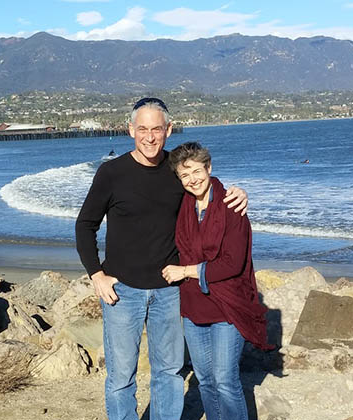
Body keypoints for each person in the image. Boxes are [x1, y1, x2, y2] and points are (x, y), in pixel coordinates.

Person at [75, 97, 247, 420]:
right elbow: (85, 225)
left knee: (169, 374)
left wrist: (235, 192)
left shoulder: (174, 171)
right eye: (143, 129)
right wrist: (96, 274)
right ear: (130, 130)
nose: (150, 137)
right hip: (121, 291)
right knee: (120, 379)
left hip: (169, 291)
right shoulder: (111, 173)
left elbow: (203, 187)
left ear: (168, 130)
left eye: (157, 129)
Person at [161, 142, 272, 420]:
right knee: (206, 381)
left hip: (226, 305)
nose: (192, 180)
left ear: (209, 168)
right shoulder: (181, 205)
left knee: (225, 379)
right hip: (193, 306)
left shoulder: (231, 205)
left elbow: (232, 263)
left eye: (197, 171)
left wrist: (186, 271)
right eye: (185, 175)